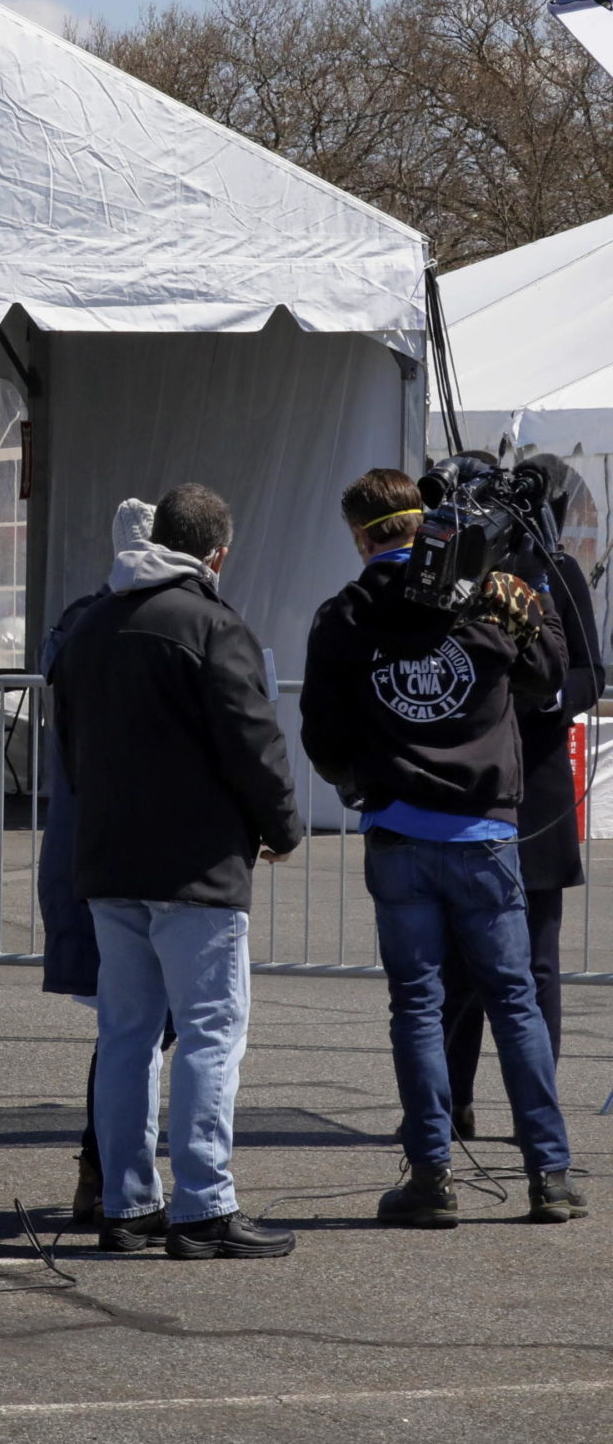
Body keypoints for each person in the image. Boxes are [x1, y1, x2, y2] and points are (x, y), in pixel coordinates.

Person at [300, 467, 584, 1228]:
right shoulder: (484, 595)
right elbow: (549, 674)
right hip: (485, 830)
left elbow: (321, 736)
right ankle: (549, 1174)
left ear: (361, 536)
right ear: (422, 520)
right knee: (516, 1002)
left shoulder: (345, 613)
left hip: (398, 830)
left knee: (417, 1008)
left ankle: (432, 1175)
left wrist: (360, 779)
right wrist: (530, 594)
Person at [52, 483, 301, 1260]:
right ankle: (203, 1203)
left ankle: (126, 1204)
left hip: (109, 859)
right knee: (209, 1033)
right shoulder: (212, 624)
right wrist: (282, 826)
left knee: (126, 1035)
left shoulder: (90, 623)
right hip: (195, 866)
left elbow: (68, 745)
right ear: (217, 552)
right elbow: (252, 741)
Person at [445, 453, 603, 1138]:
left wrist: (545, 703)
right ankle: (451, 1100)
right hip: (469, 787)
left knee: (536, 962)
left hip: (534, 787)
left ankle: (534, 1110)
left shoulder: (558, 571)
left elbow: (591, 671)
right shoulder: (457, 568)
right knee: (460, 966)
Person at [36, 495, 157, 1227]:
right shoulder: (137, 623)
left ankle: (105, 1174)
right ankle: (113, 1175)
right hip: (144, 854)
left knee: (128, 1025)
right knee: (141, 1026)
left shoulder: (77, 625)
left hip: (91, 849)